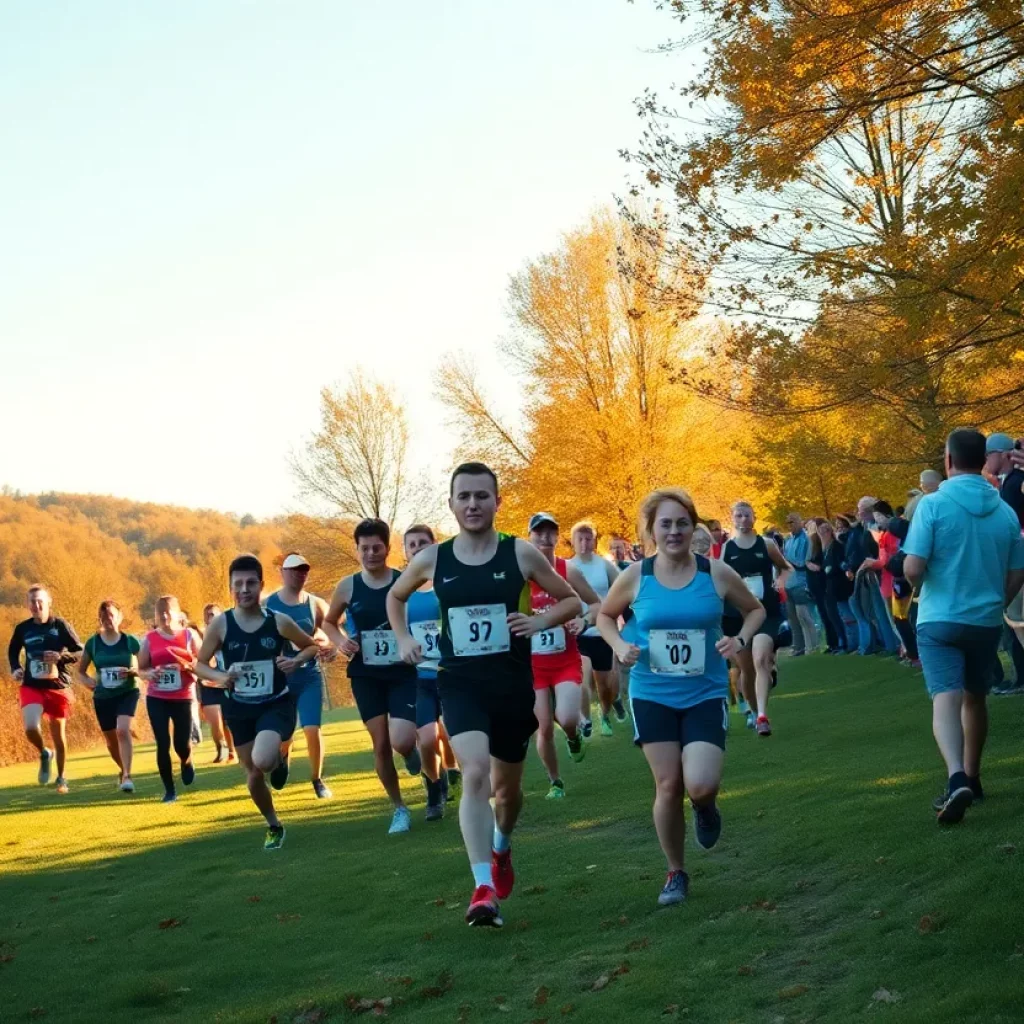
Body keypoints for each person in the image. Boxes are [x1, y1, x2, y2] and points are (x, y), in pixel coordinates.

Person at [387, 462, 581, 928]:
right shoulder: (435, 559)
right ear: (451, 503)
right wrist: (403, 639)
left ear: (497, 501)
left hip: (512, 686)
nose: (472, 504)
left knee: (507, 795)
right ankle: (482, 888)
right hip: (461, 683)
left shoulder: (520, 554)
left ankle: (501, 846)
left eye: (481, 496)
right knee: (474, 773)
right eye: (463, 497)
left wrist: (538, 622)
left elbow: (573, 600)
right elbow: (395, 597)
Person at [597, 488, 765, 907]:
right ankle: (676, 871)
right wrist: (619, 646)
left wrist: (739, 639)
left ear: (694, 527)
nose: (674, 531)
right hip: (652, 692)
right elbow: (603, 615)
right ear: (652, 530)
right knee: (668, 784)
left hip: (704, 692)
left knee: (701, 784)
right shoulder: (637, 575)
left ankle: (705, 807)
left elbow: (755, 609)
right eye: (665, 524)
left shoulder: (716, 573)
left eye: (681, 523)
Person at [903, 429, 1024, 824]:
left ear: (948, 461)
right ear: (985, 459)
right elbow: (1018, 569)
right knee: (976, 697)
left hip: (939, 616)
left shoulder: (933, 505)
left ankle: (956, 778)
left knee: (946, 698)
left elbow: (914, 567)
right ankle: (974, 775)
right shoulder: (1005, 509)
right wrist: (998, 602)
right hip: (985, 619)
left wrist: (916, 583)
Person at [195, 554, 320, 849]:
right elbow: (200, 664)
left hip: (275, 703)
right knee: (252, 776)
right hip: (238, 708)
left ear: (262, 586)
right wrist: (222, 676)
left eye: (251, 582)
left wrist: (296, 661)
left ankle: (277, 757)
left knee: (262, 760)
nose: (244, 589)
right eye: (237, 584)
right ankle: (274, 824)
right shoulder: (222, 624)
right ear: (230, 588)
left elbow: (311, 646)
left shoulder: (278, 621)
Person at [325, 519, 421, 835]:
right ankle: (399, 808)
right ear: (357, 550)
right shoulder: (348, 586)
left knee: (402, 739)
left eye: (376, 547)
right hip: (366, 673)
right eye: (364, 548)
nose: (370, 554)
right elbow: (328, 623)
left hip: (402, 672)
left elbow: (423, 613)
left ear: (387, 548)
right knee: (380, 745)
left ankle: (410, 752)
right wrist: (340, 641)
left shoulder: (404, 580)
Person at [526, 512, 602, 799]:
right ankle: (555, 781)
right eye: (539, 532)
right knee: (543, 726)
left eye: (550, 532)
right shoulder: (521, 575)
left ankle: (573, 737)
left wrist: (583, 621)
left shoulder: (567, 570)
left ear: (558, 537)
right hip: (534, 666)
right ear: (530, 538)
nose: (545, 538)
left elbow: (597, 605)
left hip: (564, 660)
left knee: (567, 717)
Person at [265, 553, 336, 800]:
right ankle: (283, 756)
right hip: (281, 679)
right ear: (282, 572)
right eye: (294, 569)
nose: (300, 573)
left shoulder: (315, 603)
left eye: (304, 569)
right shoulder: (268, 605)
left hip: (309, 676)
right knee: (285, 735)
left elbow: (331, 631)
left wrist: (327, 644)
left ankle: (317, 780)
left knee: (312, 729)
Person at [402, 523, 456, 821]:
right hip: (420, 680)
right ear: (406, 552)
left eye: (424, 543)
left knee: (452, 734)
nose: (418, 548)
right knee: (425, 738)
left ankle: (461, 776)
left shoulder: (448, 583)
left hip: (450, 676)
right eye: (412, 545)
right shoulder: (402, 593)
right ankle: (434, 789)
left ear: (435, 545)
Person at [721, 501, 790, 735]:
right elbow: (720, 580)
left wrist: (780, 580)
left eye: (746, 515)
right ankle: (752, 709)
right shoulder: (727, 549)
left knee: (760, 659)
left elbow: (786, 567)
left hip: (765, 611)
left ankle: (762, 715)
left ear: (754, 517)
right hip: (736, 616)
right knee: (747, 670)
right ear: (732, 519)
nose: (742, 519)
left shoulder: (766, 544)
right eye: (738, 515)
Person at [7, 585, 83, 794]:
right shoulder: (22, 628)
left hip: (58, 687)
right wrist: (15, 668)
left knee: (59, 735)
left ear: (49, 602)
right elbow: (13, 651)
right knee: (31, 727)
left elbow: (80, 651)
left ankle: (61, 778)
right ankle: (43, 752)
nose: (36, 605)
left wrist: (61, 657)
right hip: (32, 685)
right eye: (32, 601)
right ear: (28, 604)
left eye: (40, 601)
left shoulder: (60, 626)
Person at [138, 595, 201, 803]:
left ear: (177, 613)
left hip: (182, 696)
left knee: (181, 744)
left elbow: (203, 663)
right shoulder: (149, 639)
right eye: (160, 612)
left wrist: (187, 665)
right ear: (155, 616)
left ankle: (187, 759)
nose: (164, 616)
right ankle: (169, 790)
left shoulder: (189, 636)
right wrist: (151, 673)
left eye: (168, 611)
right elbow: (141, 668)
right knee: (162, 742)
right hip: (157, 697)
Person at [77, 600, 141, 791]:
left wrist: (134, 671)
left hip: (127, 692)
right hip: (103, 696)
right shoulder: (93, 643)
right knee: (111, 741)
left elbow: (145, 665)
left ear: (119, 617)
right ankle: (123, 770)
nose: (108, 620)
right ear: (100, 619)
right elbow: (80, 671)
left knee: (122, 730)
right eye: (104, 617)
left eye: (111, 615)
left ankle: (128, 776)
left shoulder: (130, 641)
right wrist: (87, 681)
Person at [569, 521, 625, 736]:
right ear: (573, 542)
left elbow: (622, 588)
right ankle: (587, 722)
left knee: (605, 684)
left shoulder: (604, 566)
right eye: (579, 539)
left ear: (594, 541)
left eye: (588, 538)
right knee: (583, 679)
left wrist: (616, 613)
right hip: (578, 631)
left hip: (601, 630)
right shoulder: (567, 567)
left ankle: (607, 710)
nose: (584, 543)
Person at [985, 433, 1024, 693]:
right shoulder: (1007, 483)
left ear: (1002, 454)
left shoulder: (1016, 483)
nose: (985, 460)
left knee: (1019, 624)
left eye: (988, 454)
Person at [197, 604, 236, 763]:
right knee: (215, 721)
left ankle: (234, 751)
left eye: (214, 614)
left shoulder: (229, 633)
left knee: (229, 720)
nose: (211, 617)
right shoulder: (201, 636)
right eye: (208, 615)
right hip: (208, 683)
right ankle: (221, 749)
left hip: (227, 682)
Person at [817, 521, 858, 654]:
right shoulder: (826, 548)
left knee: (847, 616)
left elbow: (840, 565)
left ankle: (852, 644)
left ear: (830, 532)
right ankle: (845, 643)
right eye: (820, 532)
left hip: (840, 587)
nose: (822, 535)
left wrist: (829, 569)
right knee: (840, 616)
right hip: (832, 588)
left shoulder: (836, 546)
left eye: (824, 531)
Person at [782, 513, 819, 656]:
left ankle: (813, 645)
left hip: (800, 581)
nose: (790, 525)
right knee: (793, 618)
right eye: (788, 523)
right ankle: (799, 647)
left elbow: (804, 562)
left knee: (804, 615)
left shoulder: (805, 539)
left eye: (793, 522)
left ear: (800, 522)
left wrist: (790, 563)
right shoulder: (788, 540)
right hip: (789, 582)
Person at [805, 520, 840, 653]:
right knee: (824, 613)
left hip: (821, 581)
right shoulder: (811, 542)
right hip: (815, 583)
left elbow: (819, 563)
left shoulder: (817, 542)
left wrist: (809, 563)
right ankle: (831, 642)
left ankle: (835, 641)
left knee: (828, 613)